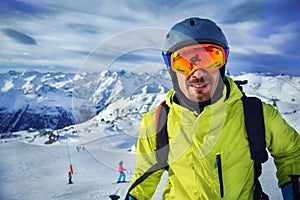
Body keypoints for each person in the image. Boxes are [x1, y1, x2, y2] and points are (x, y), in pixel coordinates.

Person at [126, 17, 300, 199]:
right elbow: (144, 177)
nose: (198, 73)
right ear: (170, 67)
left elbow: (292, 153)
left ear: (224, 62)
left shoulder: (257, 115)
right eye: (184, 62)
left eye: (211, 58)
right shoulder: (157, 122)